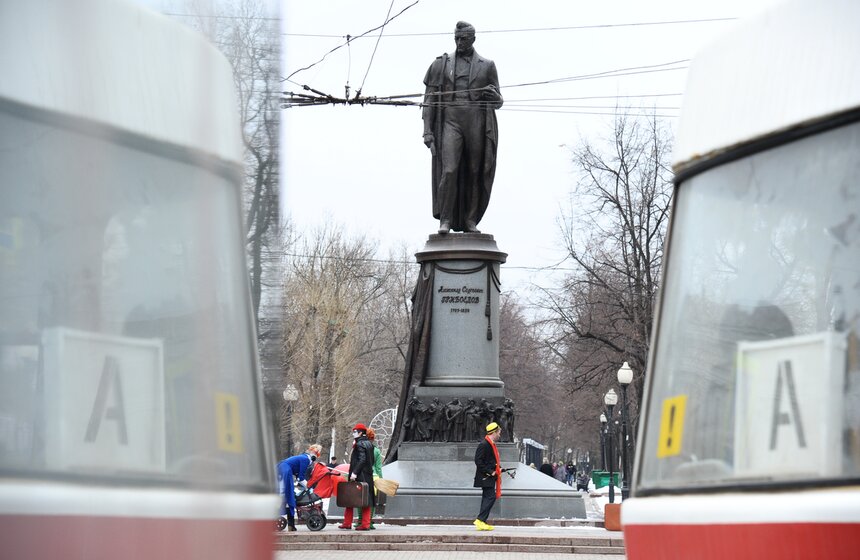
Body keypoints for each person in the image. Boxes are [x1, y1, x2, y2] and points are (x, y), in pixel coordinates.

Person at [423, 21, 503, 234]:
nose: (459, 42)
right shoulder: (441, 64)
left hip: (476, 120)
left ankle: (470, 220)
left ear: (473, 39)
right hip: (450, 120)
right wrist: (428, 131)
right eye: (456, 38)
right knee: (449, 170)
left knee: (474, 171)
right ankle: (446, 219)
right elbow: (429, 100)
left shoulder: (487, 66)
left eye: (464, 39)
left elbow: (498, 101)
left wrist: (496, 97)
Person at [338, 423, 376, 531]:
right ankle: (365, 523)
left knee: (349, 497)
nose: (353, 433)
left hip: (359, 475)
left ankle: (348, 522)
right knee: (365, 500)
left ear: (360, 432)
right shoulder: (369, 443)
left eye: (355, 431)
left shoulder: (360, 444)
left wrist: (354, 473)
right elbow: (370, 460)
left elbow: (362, 460)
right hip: (367, 475)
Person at [277, 443, 322, 531]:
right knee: (289, 496)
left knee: (288, 496)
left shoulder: (304, 457)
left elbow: (299, 476)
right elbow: (300, 478)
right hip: (285, 471)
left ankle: (291, 524)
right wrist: (309, 487)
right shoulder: (306, 459)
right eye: (317, 454)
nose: (317, 457)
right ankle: (290, 524)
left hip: (282, 469)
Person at [352, 427, 385, 529]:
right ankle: (369, 522)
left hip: (362, 475)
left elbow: (360, 461)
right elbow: (378, 467)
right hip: (373, 476)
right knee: (370, 500)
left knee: (360, 499)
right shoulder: (375, 449)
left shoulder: (360, 446)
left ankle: (360, 521)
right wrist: (381, 479)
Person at [473, 421, 503, 531]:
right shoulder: (484, 444)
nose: (500, 435)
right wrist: (491, 472)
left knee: (487, 497)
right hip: (485, 476)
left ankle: (482, 522)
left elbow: (491, 461)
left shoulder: (490, 445)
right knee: (490, 497)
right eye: (499, 432)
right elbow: (478, 461)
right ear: (494, 433)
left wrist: (498, 469)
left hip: (488, 476)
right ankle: (480, 520)